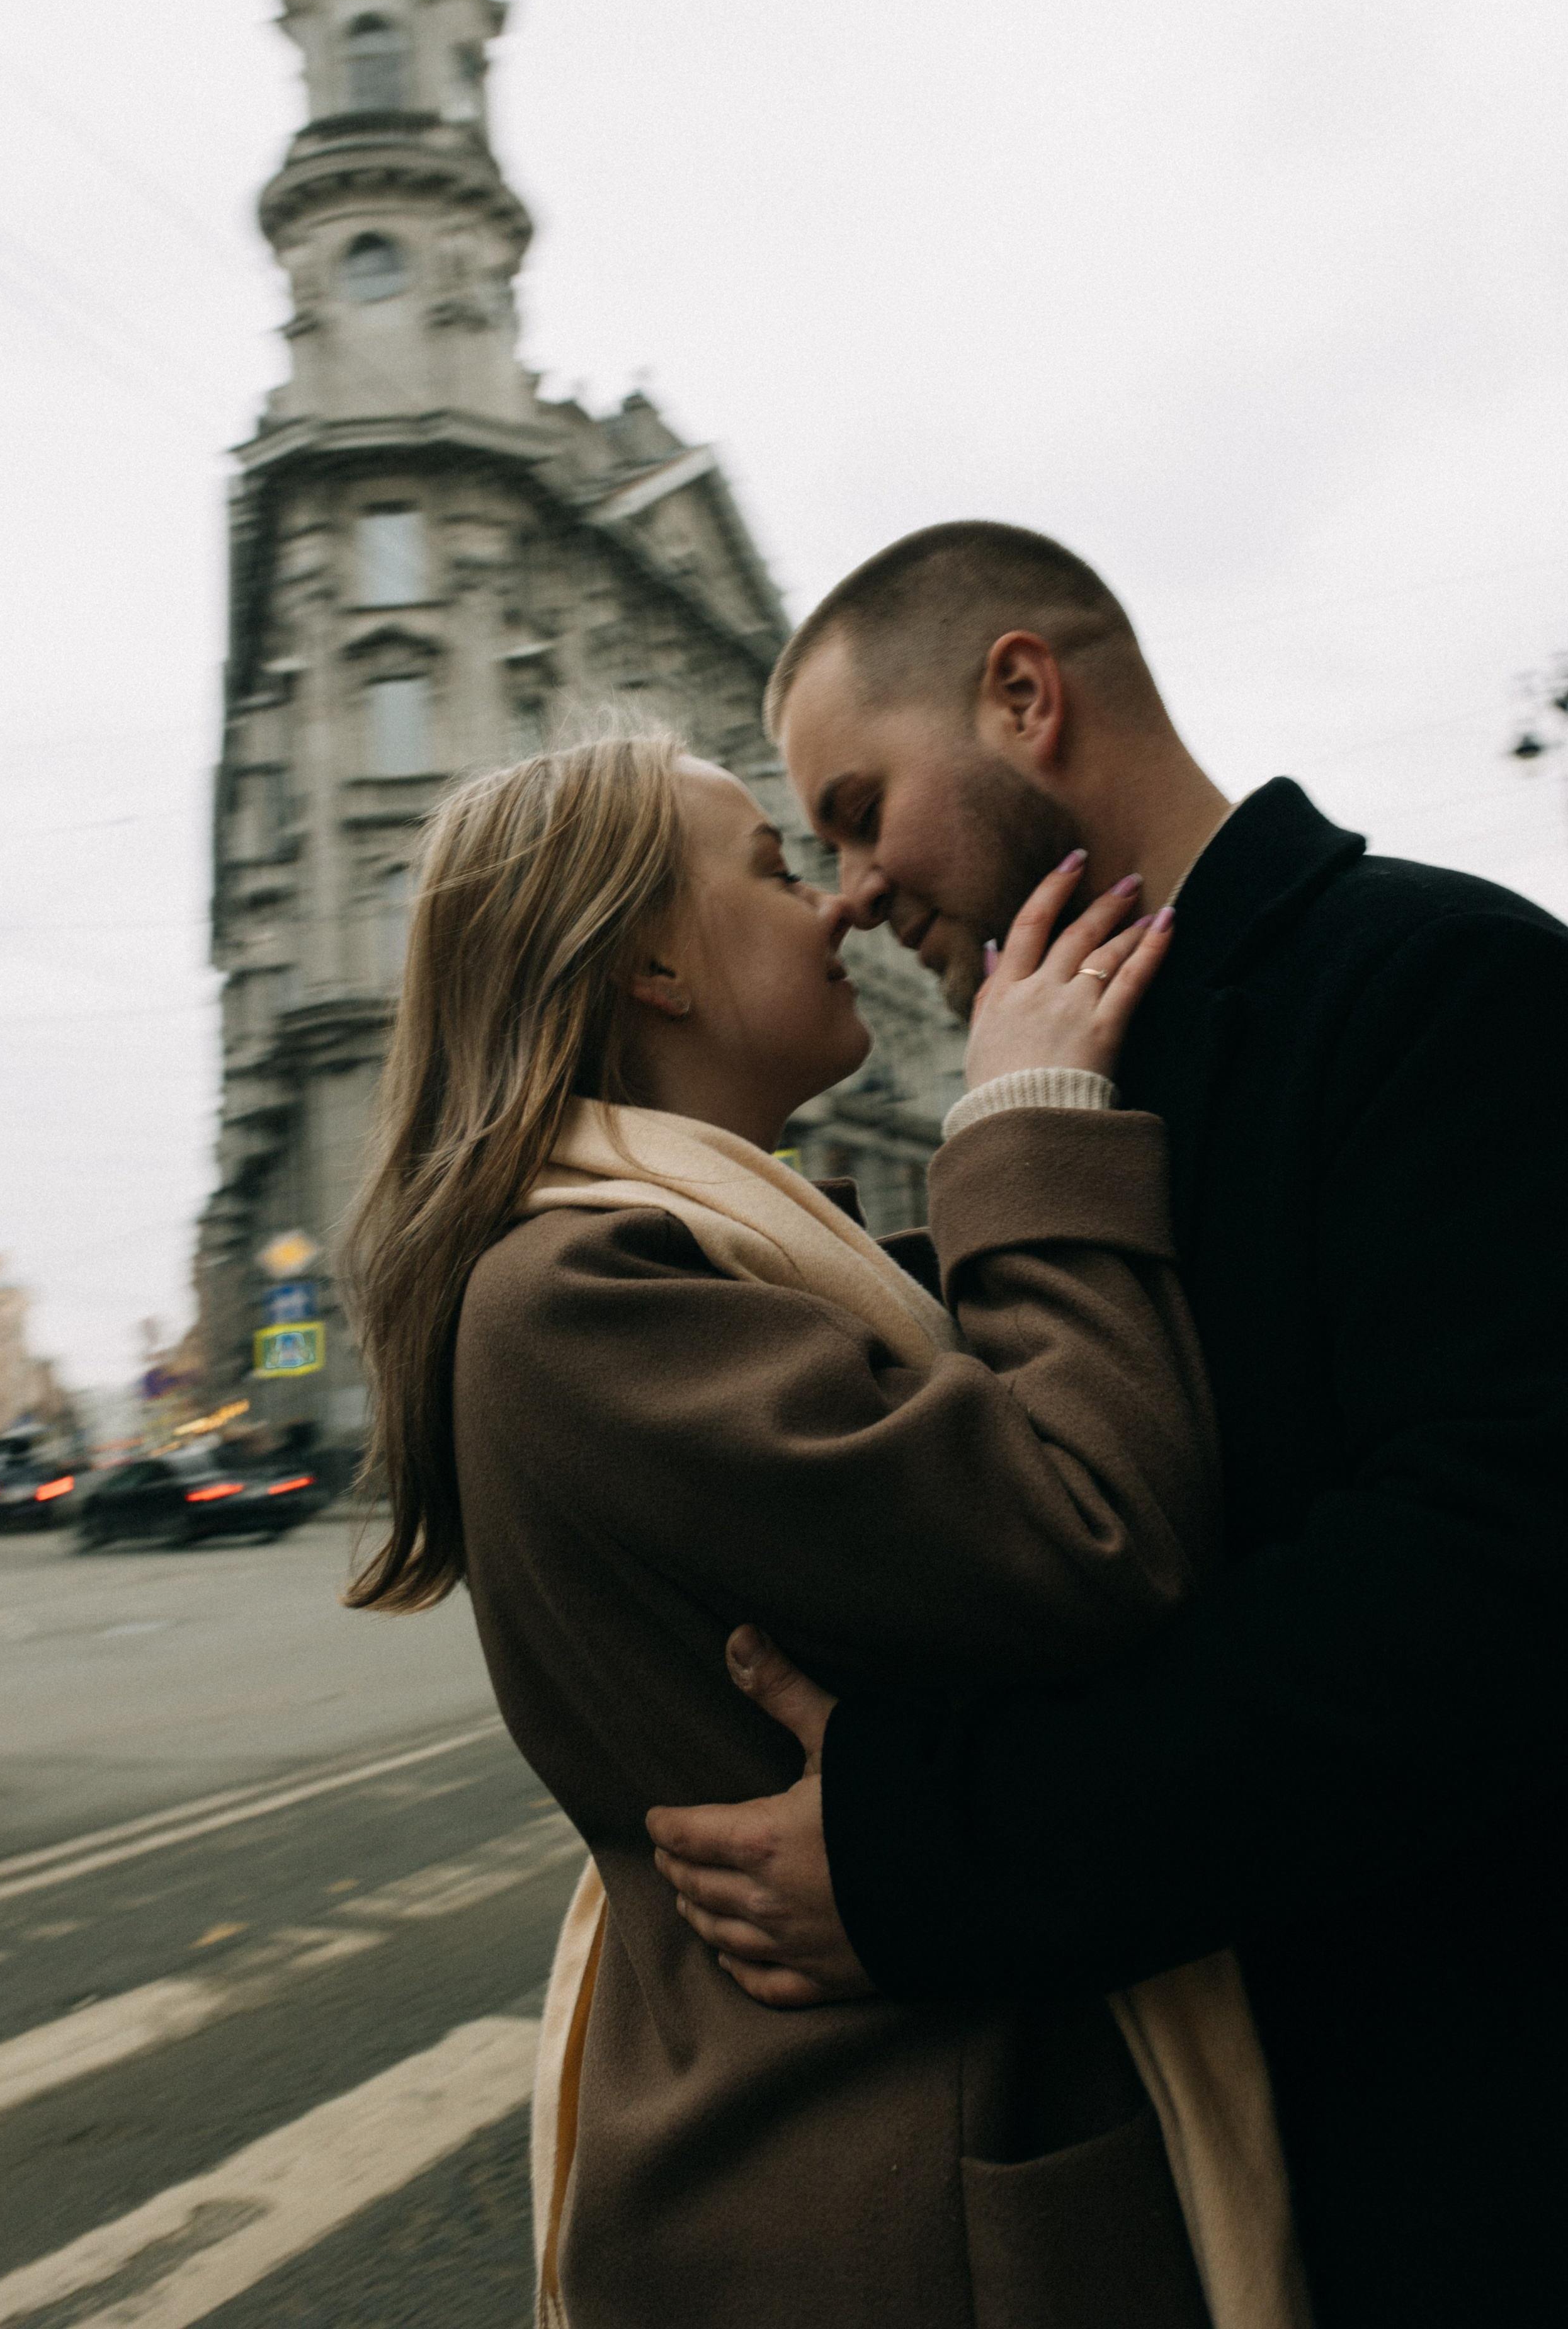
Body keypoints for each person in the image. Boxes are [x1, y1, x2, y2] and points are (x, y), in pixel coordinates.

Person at [646, 522, 1568, 2329]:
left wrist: (943, 1850)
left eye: (855, 808)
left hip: (1463, 2146)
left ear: (1021, 695)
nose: (845, 889)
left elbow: (1483, 1593)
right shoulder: (1047, 1079)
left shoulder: (1443, 983)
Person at [340, 729, 1305, 2329]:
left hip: (887, 2143)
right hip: (885, 2193)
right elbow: (1089, 1534)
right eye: (777, 869)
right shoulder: (575, 1298)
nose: (841, 905)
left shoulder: (700, 1267)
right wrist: (1031, 1113)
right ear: (652, 960)